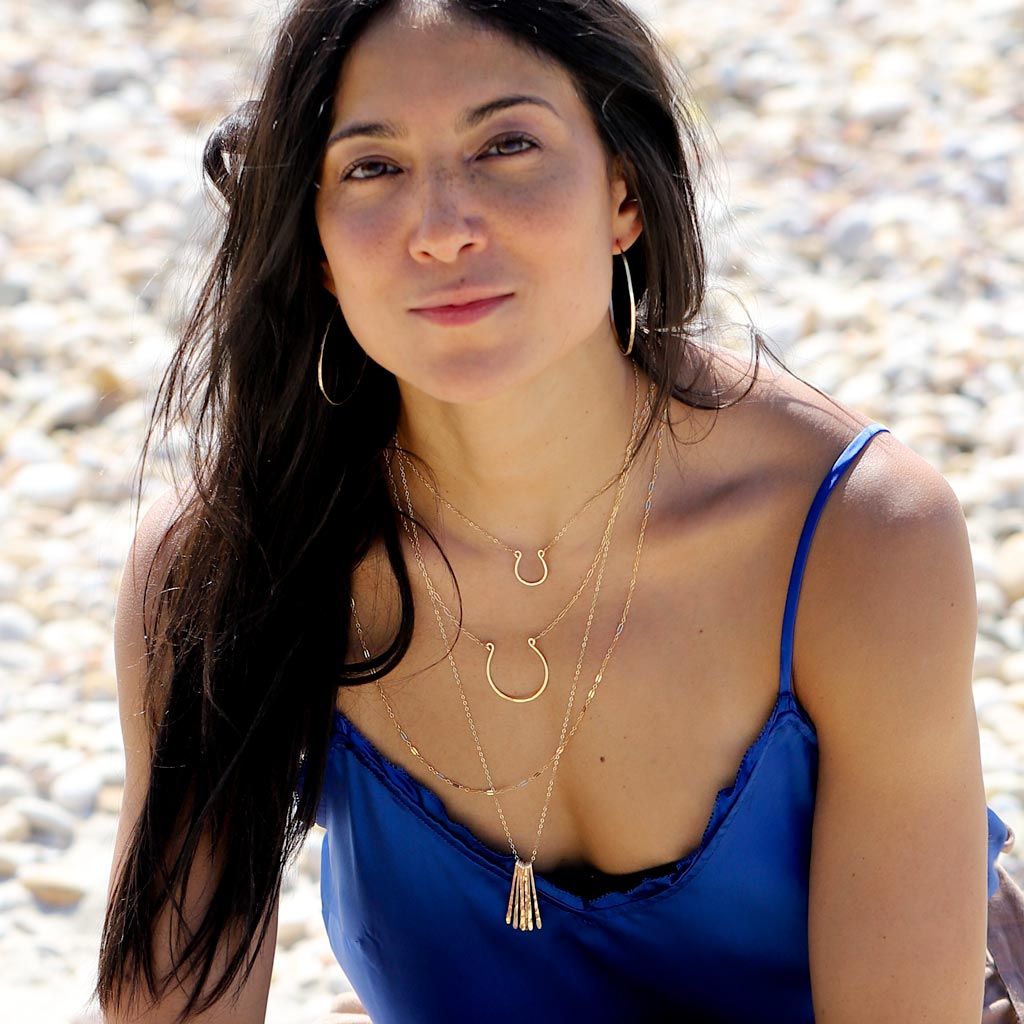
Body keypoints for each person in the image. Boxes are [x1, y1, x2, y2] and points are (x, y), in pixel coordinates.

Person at [94, 1, 1021, 1022]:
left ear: (623, 194)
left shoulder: (857, 534)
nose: (442, 227)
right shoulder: (232, 566)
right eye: (372, 166)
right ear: (315, 241)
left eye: (507, 145)